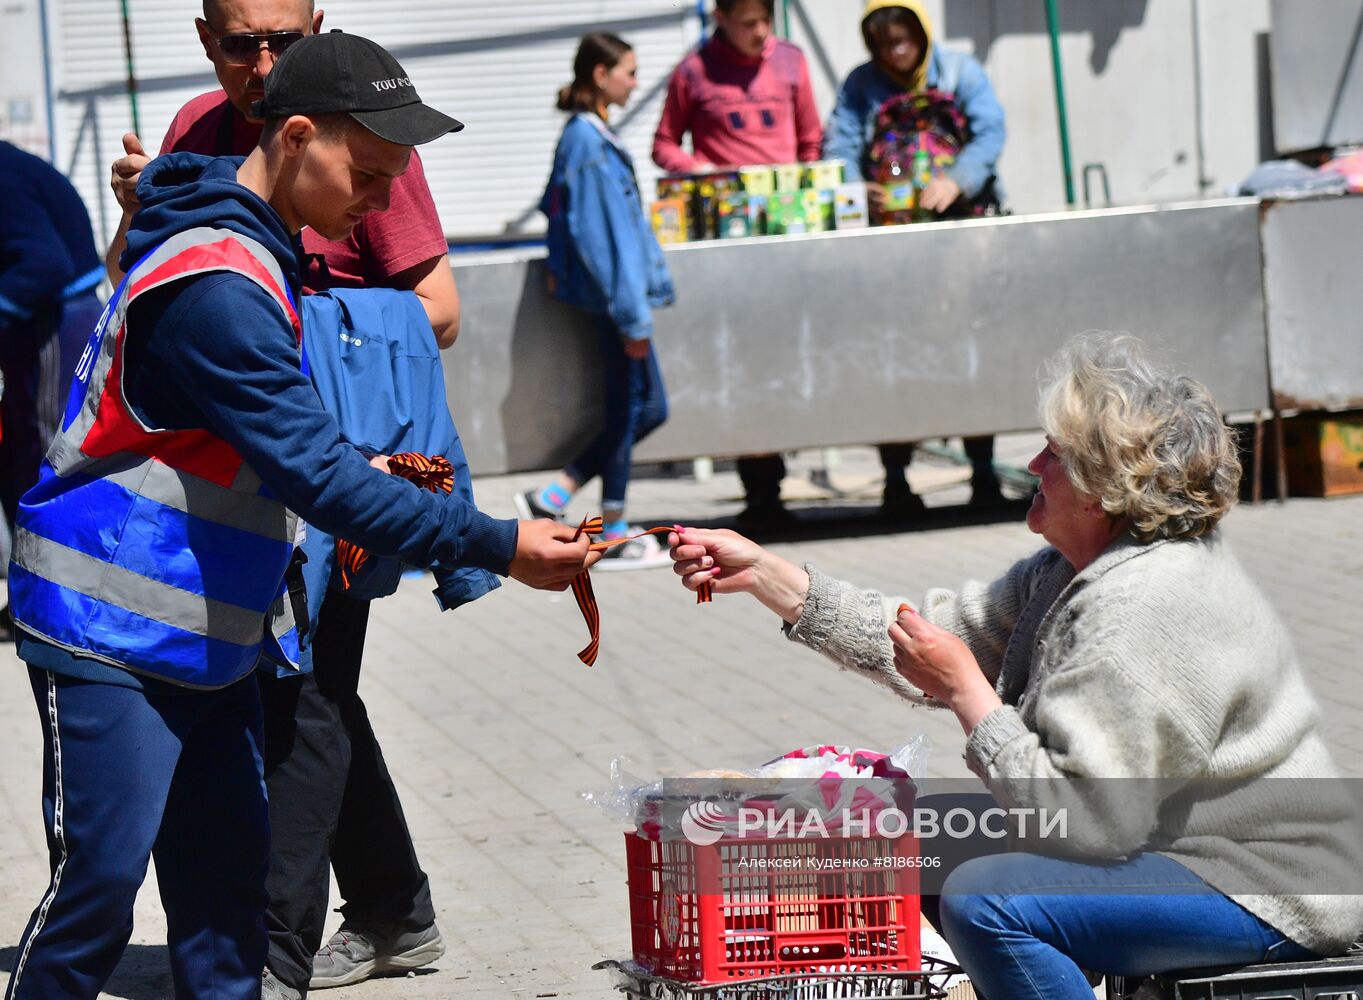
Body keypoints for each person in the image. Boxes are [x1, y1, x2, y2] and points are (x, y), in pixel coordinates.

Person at [4, 32, 597, 1000]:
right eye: (365, 173)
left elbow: (262, 446)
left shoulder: (257, 250)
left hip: (213, 629)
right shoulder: (217, 281)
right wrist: (499, 541)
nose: (378, 200)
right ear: (296, 136)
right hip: (107, 624)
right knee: (97, 896)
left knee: (229, 903)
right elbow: (313, 472)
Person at [668, 333, 1363, 999]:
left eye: (1052, 454)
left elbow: (1084, 823)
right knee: (917, 834)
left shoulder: (1141, 606)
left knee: (987, 901)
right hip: (1176, 849)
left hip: (1263, 888)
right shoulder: (1072, 572)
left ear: (1103, 489)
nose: (1031, 465)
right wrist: (767, 574)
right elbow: (926, 632)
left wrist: (968, 693)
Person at [104, 3, 465, 992]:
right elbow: (132, 289)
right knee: (308, 696)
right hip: (232, 489)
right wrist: (143, 217)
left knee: (303, 701)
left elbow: (440, 308)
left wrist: (281, 335)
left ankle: (272, 953)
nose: (262, 63)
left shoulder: (361, 137)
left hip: (345, 475)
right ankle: (396, 910)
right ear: (202, 37)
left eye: (283, 41)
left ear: (318, 27)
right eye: (238, 44)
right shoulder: (192, 136)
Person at [824, 0, 1007, 516]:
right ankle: (896, 480)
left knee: (973, 351)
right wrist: (858, 191)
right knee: (892, 355)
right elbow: (837, 144)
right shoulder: (860, 85)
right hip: (890, 248)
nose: (893, 51)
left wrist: (958, 179)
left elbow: (991, 132)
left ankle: (985, 474)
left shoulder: (961, 72)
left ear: (921, 32)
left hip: (960, 237)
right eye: (882, 42)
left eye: (902, 37)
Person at [652, 0, 823, 529]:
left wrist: (808, 192)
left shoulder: (792, 61)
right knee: (750, 357)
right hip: (730, 239)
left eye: (766, 20)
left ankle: (884, 475)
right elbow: (663, 145)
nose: (760, 32)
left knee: (799, 350)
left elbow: (812, 140)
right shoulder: (693, 71)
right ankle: (763, 490)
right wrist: (702, 172)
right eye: (748, 22)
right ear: (719, 17)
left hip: (790, 232)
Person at [514, 33, 675, 570]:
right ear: (600, 75)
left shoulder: (589, 135)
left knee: (643, 407)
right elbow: (605, 240)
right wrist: (632, 316)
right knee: (634, 408)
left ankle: (556, 496)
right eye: (628, 70)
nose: (635, 80)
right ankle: (613, 530)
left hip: (612, 302)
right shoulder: (588, 140)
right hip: (615, 304)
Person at [0, 141, 104, 604]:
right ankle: (37, 594)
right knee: (23, 460)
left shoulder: (6, 177)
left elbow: (45, 265)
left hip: (57, 326)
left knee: (50, 461)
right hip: (41, 327)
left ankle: (64, 600)